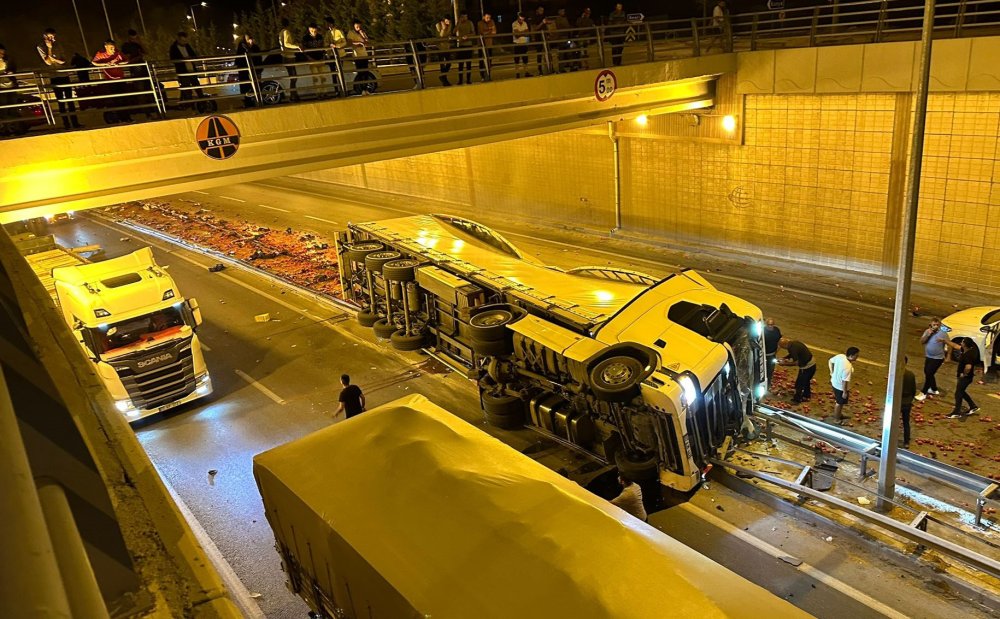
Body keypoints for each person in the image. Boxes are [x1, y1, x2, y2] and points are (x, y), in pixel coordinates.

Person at [37, 28, 81, 129]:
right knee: (60, 101)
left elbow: (63, 61)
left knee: (70, 100)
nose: (53, 39)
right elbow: (47, 62)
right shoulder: (40, 47)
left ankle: (75, 123)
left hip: (64, 74)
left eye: (54, 37)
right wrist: (49, 49)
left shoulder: (59, 45)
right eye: (50, 37)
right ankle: (66, 124)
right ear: (45, 37)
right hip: (54, 76)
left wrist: (55, 59)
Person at [915, 317, 958, 401]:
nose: (935, 326)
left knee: (929, 373)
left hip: (938, 358)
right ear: (930, 325)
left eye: (937, 325)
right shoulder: (927, 332)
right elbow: (921, 342)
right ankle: (934, 389)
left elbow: (949, 344)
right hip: (929, 356)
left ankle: (923, 393)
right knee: (928, 373)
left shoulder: (943, 334)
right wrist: (928, 334)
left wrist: (948, 356)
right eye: (934, 325)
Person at [92, 39, 133, 123]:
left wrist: (119, 64)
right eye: (111, 48)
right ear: (106, 47)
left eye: (114, 48)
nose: (113, 50)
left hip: (120, 79)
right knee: (115, 100)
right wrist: (106, 64)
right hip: (110, 80)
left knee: (124, 99)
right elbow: (94, 62)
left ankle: (126, 117)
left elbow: (127, 60)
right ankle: (118, 118)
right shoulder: (101, 54)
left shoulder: (118, 53)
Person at [947, 339, 980, 419]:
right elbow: (955, 346)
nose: (961, 343)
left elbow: (968, 367)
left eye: (962, 342)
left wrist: (963, 374)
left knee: (958, 394)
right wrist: (944, 341)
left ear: (965, 345)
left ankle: (956, 412)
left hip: (965, 378)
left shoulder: (968, 355)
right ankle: (973, 406)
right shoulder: (967, 350)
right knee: (961, 392)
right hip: (967, 377)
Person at [778, 338, 815, 403]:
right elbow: (793, 354)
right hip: (812, 364)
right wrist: (785, 358)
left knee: (799, 383)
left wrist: (784, 364)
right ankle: (806, 395)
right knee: (806, 381)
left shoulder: (792, 349)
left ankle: (797, 399)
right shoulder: (794, 343)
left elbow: (796, 363)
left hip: (806, 367)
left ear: (785, 346)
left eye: (782, 347)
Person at [828, 347, 859, 424]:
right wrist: (844, 392)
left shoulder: (840, 356)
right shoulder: (847, 367)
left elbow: (830, 361)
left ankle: (839, 414)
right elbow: (844, 381)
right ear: (851, 356)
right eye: (856, 356)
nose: (857, 357)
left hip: (834, 382)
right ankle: (836, 419)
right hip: (840, 387)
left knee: (840, 402)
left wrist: (832, 372)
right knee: (839, 403)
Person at [169, 32, 204, 100]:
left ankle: (199, 99)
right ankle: (189, 102)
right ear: (178, 39)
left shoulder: (187, 46)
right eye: (183, 40)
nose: (184, 42)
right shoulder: (173, 48)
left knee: (196, 86)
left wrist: (190, 58)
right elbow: (173, 59)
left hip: (191, 69)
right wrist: (183, 60)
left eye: (185, 40)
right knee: (187, 87)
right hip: (183, 71)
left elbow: (194, 55)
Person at [278, 18, 302, 101]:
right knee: (294, 77)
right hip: (289, 56)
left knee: (293, 77)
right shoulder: (286, 32)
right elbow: (287, 44)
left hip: (285, 56)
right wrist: (297, 46)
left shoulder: (281, 32)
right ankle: (293, 95)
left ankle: (294, 94)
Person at [347, 19, 372, 93]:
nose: (358, 27)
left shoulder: (362, 32)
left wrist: (363, 35)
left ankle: (366, 88)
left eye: (359, 26)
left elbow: (367, 42)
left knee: (366, 72)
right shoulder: (351, 32)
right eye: (357, 26)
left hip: (364, 55)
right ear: (354, 26)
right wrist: (359, 43)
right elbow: (349, 42)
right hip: (357, 55)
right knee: (360, 73)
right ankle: (362, 89)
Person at [234, 33, 260, 106]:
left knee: (252, 84)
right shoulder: (242, 46)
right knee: (245, 84)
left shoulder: (254, 47)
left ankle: (252, 99)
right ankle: (247, 99)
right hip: (244, 68)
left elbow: (257, 56)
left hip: (251, 68)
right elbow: (240, 56)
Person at [302, 24, 327, 94]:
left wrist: (323, 56)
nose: (314, 32)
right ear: (309, 30)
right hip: (312, 60)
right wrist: (309, 58)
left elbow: (323, 47)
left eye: (315, 30)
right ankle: (318, 93)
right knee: (315, 77)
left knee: (323, 77)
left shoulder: (320, 36)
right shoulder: (305, 38)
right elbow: (305, 50)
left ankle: (324, 92)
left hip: (320, 58)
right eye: (312, 30)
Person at [453, 13, 475, 85]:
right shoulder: (459, 23)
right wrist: (459, 23)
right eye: (463, 17)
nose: (464, 18)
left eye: (466, 17)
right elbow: (454, 31)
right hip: (461, 45)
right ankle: (460, 80)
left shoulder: (470, 23)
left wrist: (467, 36)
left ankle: (468, 80)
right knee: (461, 64)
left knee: (468, 64)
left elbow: (473, 33)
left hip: (468, 45)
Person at [900, 356, 916, 449]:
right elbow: (913, 390)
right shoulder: (911, 375)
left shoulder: (896, 375)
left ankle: (890, 438)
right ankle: (906, 442)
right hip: (907, 402)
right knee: (906, 422)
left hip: (898, 402)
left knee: (893, 422)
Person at [477, 13, 496, 81]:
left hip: (489, 44)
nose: (488, 19)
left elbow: (494, 32)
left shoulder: (492, 22)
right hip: (482, 45)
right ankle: (482, 76)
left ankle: (488, 75)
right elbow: (482, 33)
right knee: (482, 61)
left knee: (489, 61)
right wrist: (489, 30)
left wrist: (487, 31)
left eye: (489, 18)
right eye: (487, 17)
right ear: (483, 17)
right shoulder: (480, 23)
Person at [512, 13, 531, 78]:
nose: (522, 20)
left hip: (524, 42)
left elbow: (527, 33)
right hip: (517, 43)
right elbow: (516, 34)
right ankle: (517, 73)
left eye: (523, 18)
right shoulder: (514, 23)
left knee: (525, 59)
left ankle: (526, 72)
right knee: (517, 59)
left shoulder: (525, 23)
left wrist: (520, 33)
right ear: (518, 17)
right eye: (521, 18)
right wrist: (523, 32)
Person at [763, 317, 781, 386]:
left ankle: (768, 384)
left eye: (772, 324)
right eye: (769, 324)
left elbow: (780, 340)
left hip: (772, 354)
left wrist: (777, 350)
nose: (770, 326)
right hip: (764, 355)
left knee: (770, 370)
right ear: (766, 324)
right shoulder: (763, 331)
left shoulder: (776, 330)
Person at [435, 16, 453, 86]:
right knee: (442, 64)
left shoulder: (450, 25)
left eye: (449, 21)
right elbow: (441, 36)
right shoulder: (438, 25)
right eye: (447, 21)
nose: (448, 22)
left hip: (447, 47)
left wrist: (449, 37)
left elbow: (449, 34)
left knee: (449, 63)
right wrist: (443, 28)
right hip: (440, 47)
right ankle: (444, 80)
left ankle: (443, 76)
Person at [531, 6, 547, 75]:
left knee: (547, 52)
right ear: (537, 10)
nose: (542, 12)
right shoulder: (534, 17)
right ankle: (540, 69)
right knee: (539, 54)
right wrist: (542, 23)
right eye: (540, 10)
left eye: (543, 10)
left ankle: (549, 67)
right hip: (539, 37)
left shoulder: (543, 16)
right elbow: (535, 28)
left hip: (545, 37)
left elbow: (545, 26)